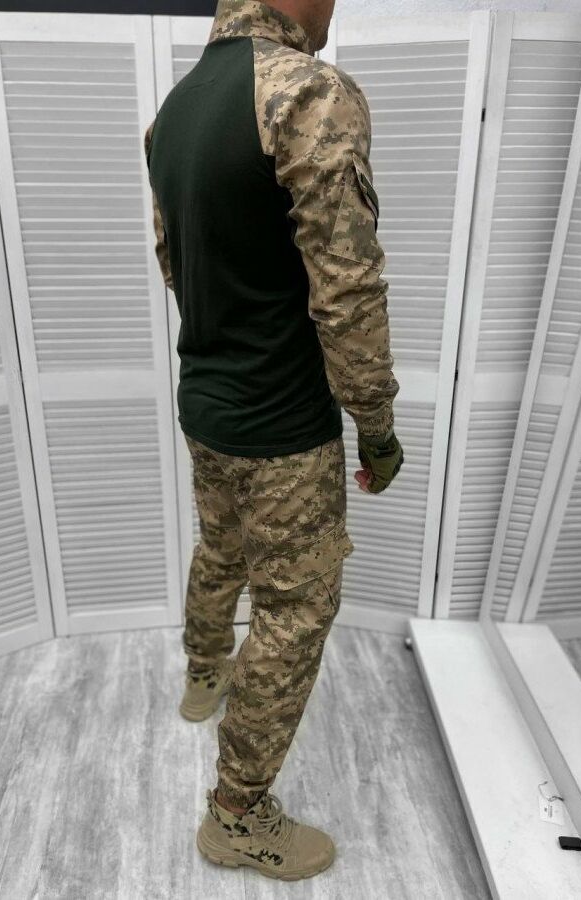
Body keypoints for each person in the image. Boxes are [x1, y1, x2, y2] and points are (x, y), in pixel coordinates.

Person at [144, 0, 403, 881]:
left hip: (207, 402)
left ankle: (203, 675)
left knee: (221, 547)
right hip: (282, 424)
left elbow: (174, 262)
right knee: (295, 613)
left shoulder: (175, 111)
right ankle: (238, 814)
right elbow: (347, 287)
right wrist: (376, 426)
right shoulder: (304, 93)